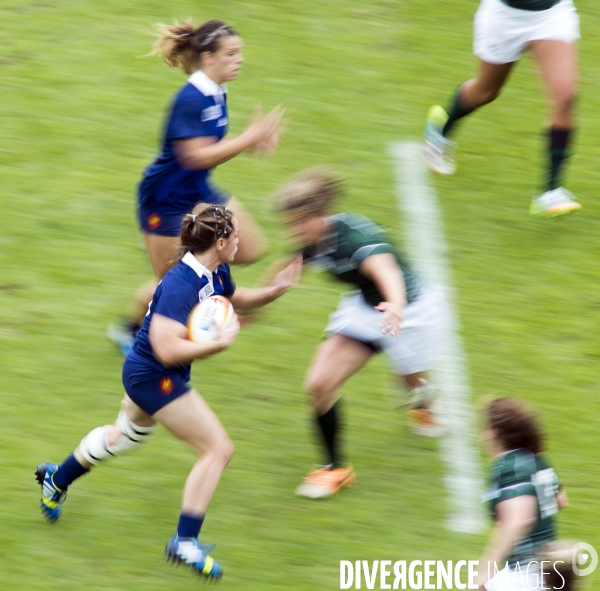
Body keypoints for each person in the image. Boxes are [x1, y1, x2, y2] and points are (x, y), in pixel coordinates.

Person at [36, 203, 301, 580]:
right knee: (218, 448)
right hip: (154, 375)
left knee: (124, 437)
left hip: (152, 373)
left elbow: (235, 300)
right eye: (236, 235)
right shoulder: (180, 284)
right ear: (221, 241)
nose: (241, 239)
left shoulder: (216, 270)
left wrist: (275, 291)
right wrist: (216, 345)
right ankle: (185, 541)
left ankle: (57, 479)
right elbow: (166, 348)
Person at [108, 18, 285, 354]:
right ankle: (128, 328)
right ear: (208, 57)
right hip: (166, 201)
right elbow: (193, 156)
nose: (240, 59)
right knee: (174, 285)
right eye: (231, 53)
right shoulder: (192, 98)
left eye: (240, 53)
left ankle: (208, 293)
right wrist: (249, 137)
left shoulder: (216, 90)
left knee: (250, 247)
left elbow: (205, 145)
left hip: (197, 192)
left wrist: (246, 141)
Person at [273, 168, 445, 500]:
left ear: (320, 216)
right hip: (365, 310)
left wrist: (395, 304)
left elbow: (386, 269)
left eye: (299, 223)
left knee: (412, 383)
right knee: (319, 384)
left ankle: (423, 398)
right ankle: (334, 469)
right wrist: (251, 304)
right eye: (289, 224)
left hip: (412, 313)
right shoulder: (314, 238)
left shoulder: (355, 241)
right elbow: (289, 266)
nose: (294, 231)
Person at [422, 0, 582, 219]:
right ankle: (440, 129)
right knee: (485, 92)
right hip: (504, 17)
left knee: (566, 96)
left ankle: (552, 192)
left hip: (551, 13)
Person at [477, 397, 569, 590]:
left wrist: (486, 567)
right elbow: (560, 500)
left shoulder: (507, 466)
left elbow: (520, 520)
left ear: (494, 433)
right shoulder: (537, 461)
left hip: (524, 573)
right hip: (547, 570)